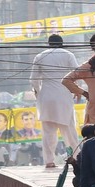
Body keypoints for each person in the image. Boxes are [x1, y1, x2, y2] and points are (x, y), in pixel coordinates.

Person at [31, 35, 80, 168]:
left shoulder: (40, 56)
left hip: (46, 97)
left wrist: (37, 92)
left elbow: (34, 79)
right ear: (62, 43)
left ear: (48, 43)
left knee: (48, 132)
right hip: (64, 95)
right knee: (69, 131)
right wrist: (77, 90)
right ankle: (76, 157)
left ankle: (49, 161)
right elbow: (77, 73)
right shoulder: (68, 54)